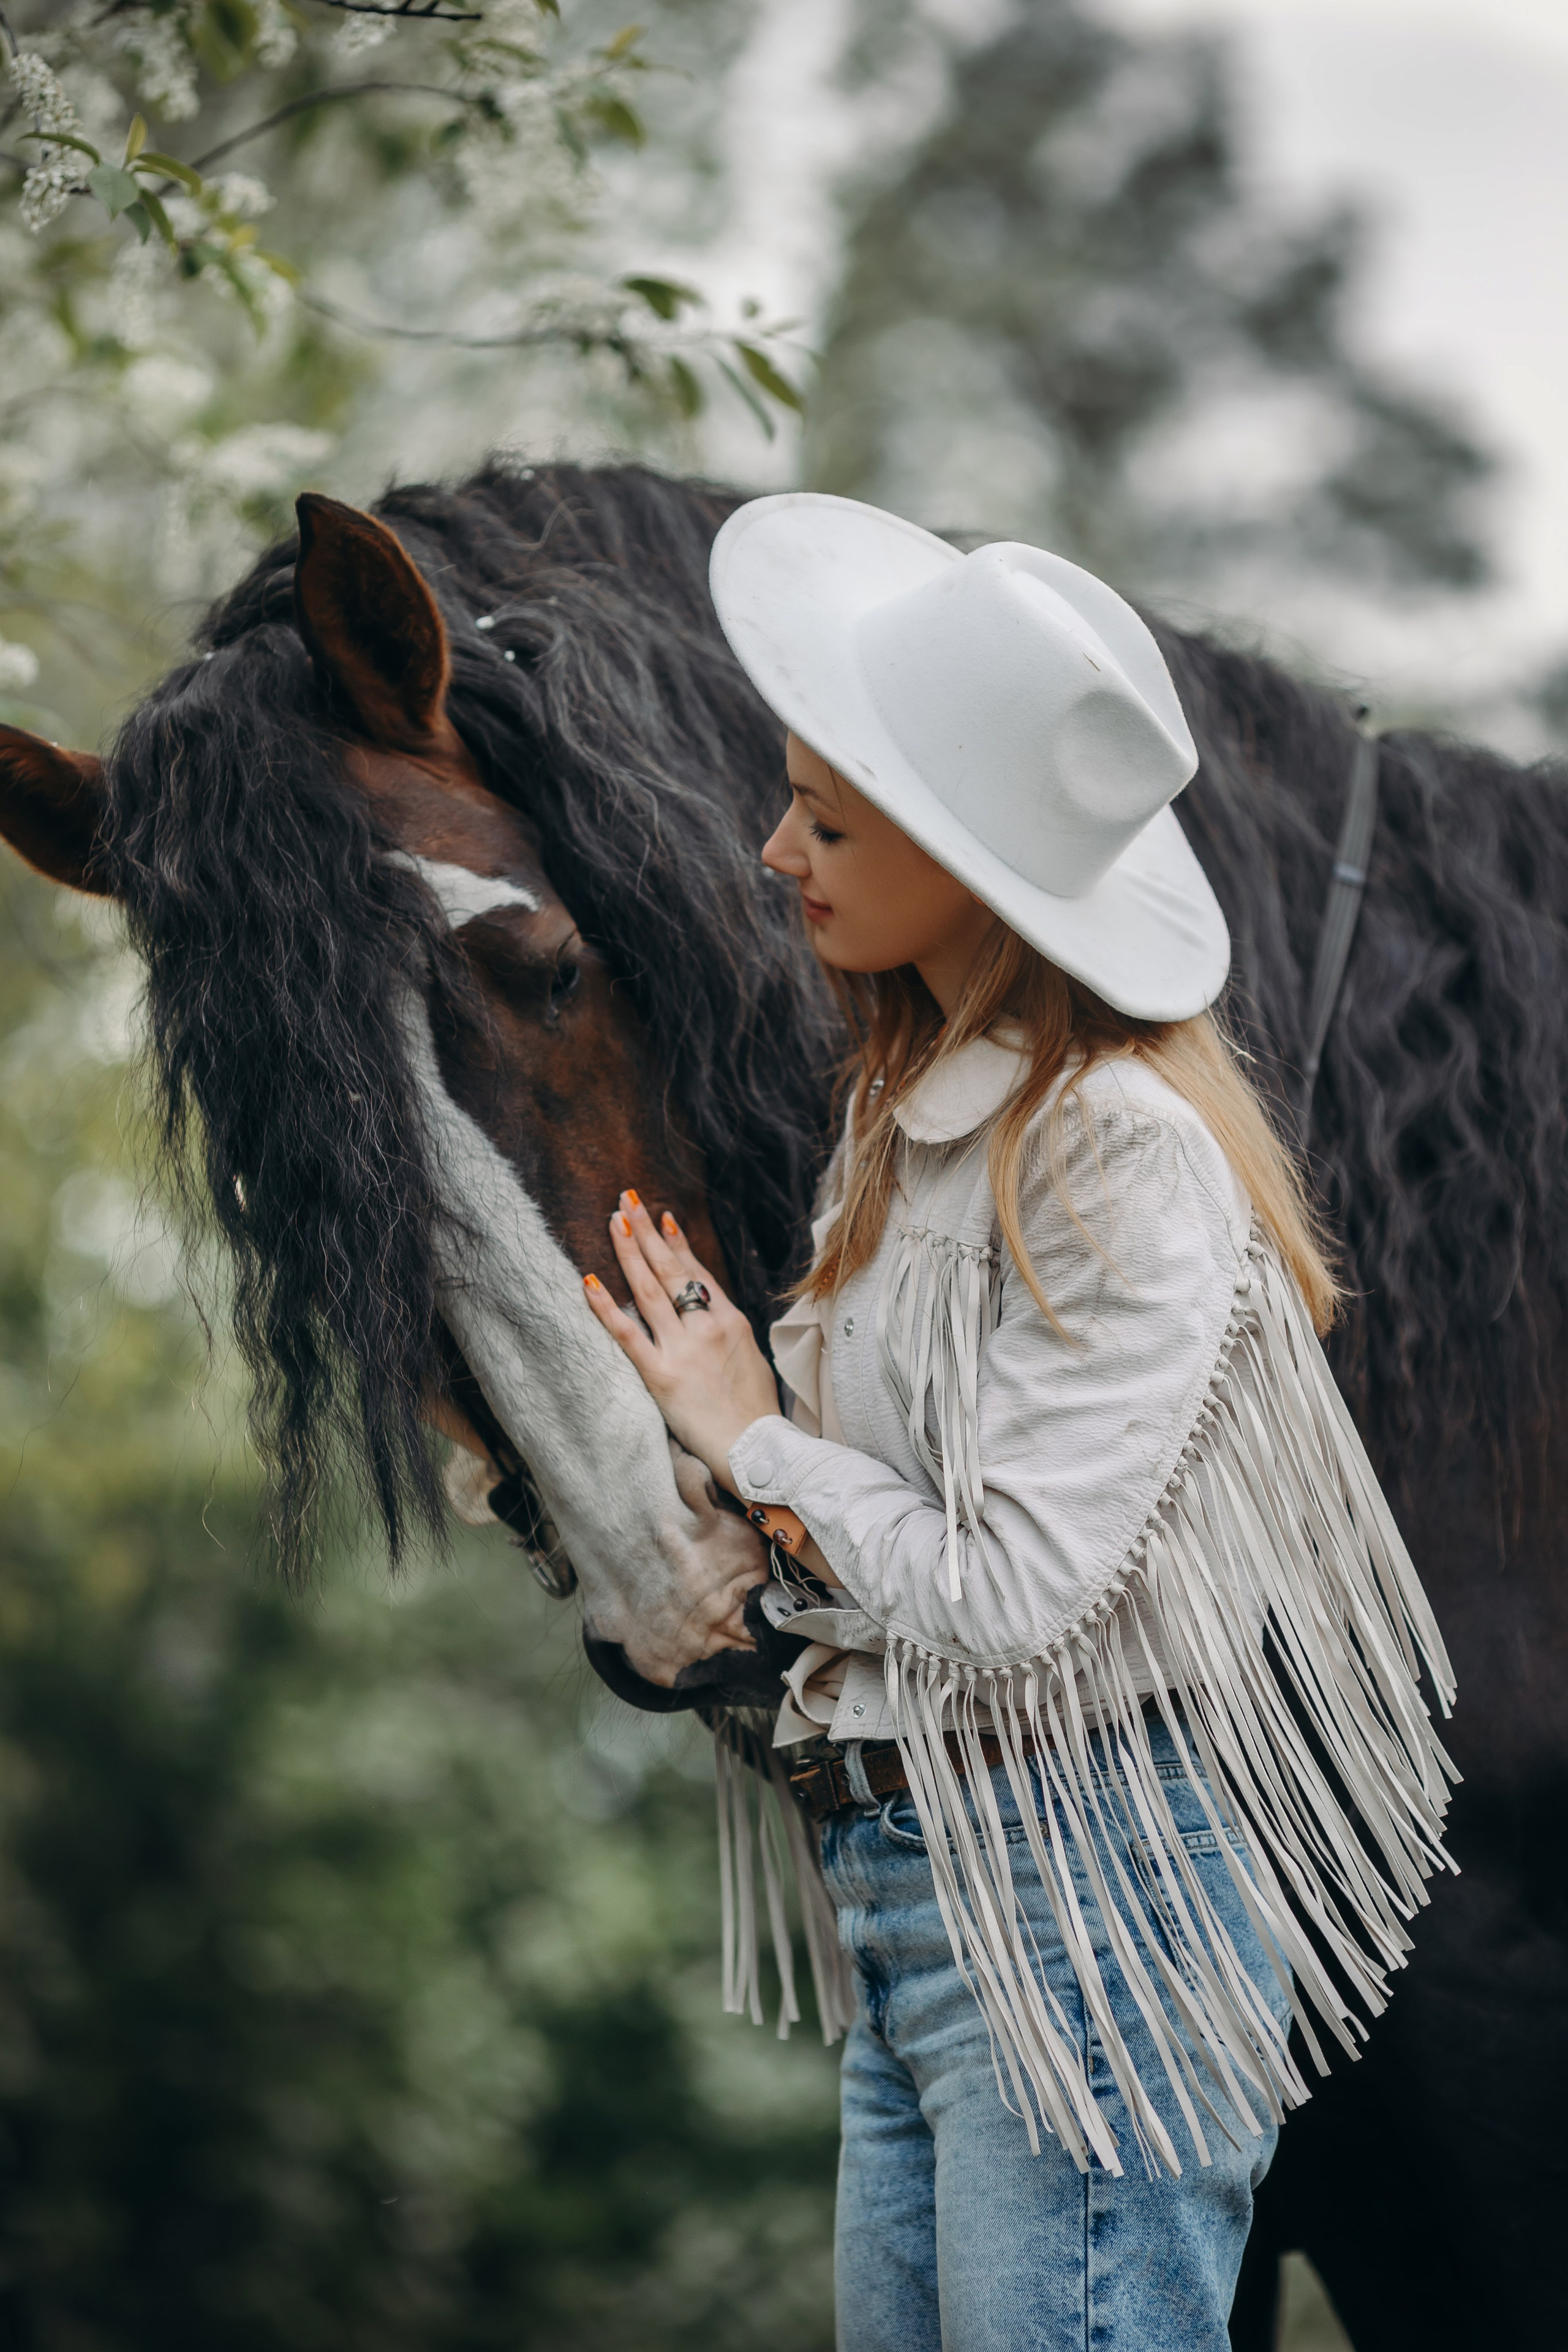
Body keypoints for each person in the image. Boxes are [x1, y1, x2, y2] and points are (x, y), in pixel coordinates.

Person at [582, 492, 1455, 2350]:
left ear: (968, 858)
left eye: (824, 817)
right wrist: (709, 1449)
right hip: (923, 1893)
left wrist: (756, 1433)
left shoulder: (1114, 1153)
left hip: (1083, 1907)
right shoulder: (906, 1138)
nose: (771, 849)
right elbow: (883, 1542)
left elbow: (1005, 1596)